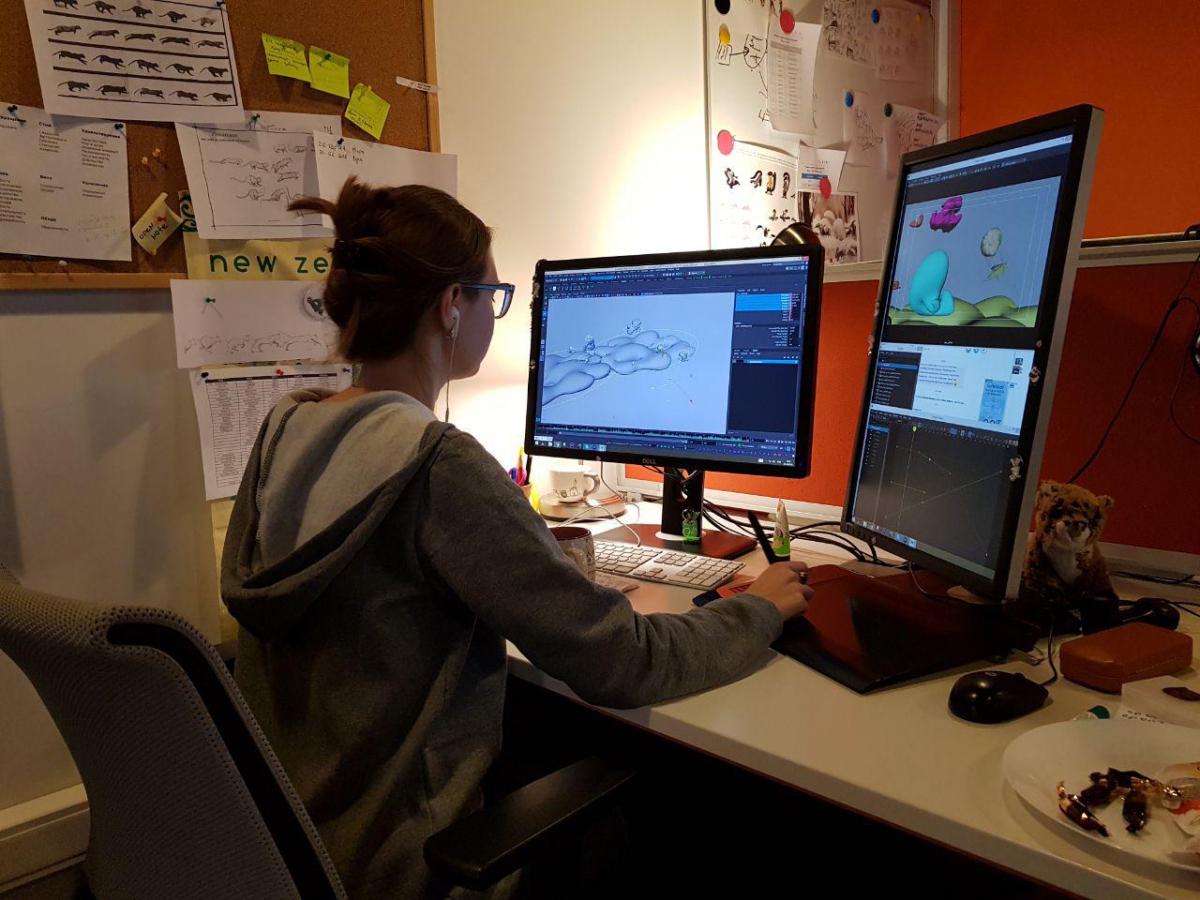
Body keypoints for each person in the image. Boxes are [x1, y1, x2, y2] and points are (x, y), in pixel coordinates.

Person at [221, 177, 813, 900]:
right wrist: (759, 608)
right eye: (493, 297)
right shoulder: (436, 464)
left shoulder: (285, 431)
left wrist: (534, 556)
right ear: (451, 305)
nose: (495, 316)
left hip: (292, 848)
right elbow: (622, 663)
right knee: (678, 817)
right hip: (407, 866)